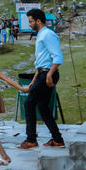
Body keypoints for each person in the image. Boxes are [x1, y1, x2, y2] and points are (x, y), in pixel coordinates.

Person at [18, 9, 65, 149]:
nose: (30, 24)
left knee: (29, 104)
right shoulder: (41, 35)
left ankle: (31, 139)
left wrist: (49, 75)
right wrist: (34, 79)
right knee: (42, 106)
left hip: (48, 74)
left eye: (31, 21)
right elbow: (41, 62)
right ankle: (57, 139)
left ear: (38, 21)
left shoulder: (48, 35)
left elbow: (58, 57)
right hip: (43, 73)